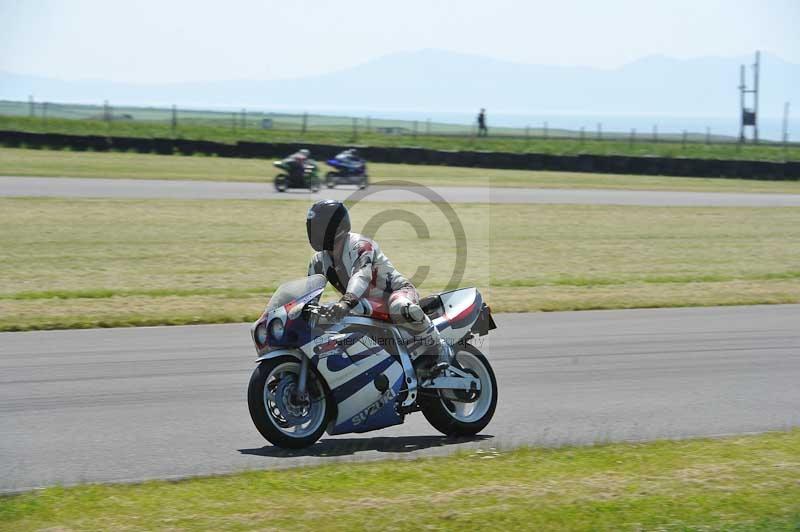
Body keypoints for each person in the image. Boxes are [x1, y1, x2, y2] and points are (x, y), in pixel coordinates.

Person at [305, 199, 451, 374]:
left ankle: (440, 348)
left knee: (401, 307)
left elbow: (361, 274)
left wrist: (346, 301)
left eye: (318, 227)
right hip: (361, 304)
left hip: (395, 293)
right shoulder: (318, 261)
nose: (313, 232)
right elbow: (309, 292)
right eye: (311, 227)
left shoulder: (360, 245)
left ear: (336, 227)